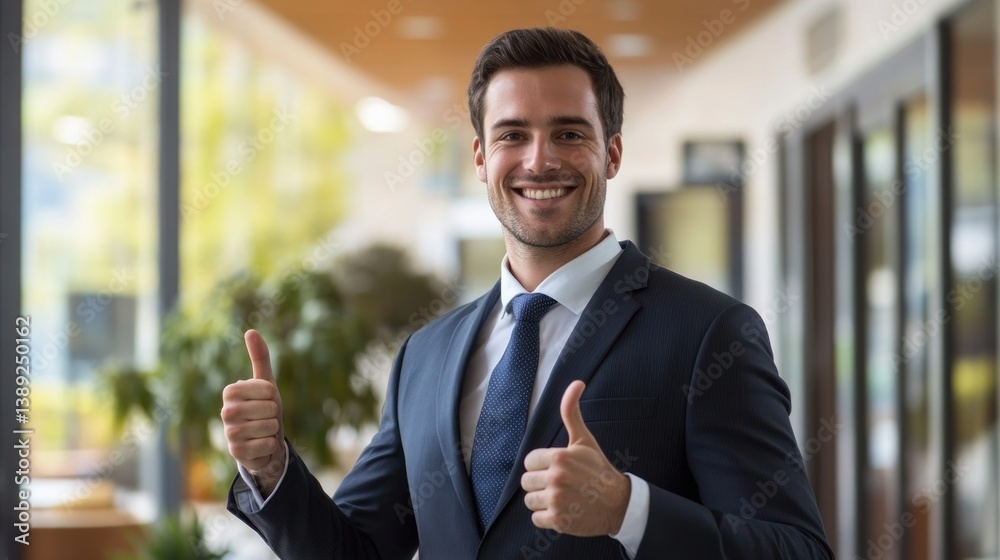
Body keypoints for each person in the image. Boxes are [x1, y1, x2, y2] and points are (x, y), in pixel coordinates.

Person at [221, 27, 834, 559]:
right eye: (513, 135)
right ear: (482, 158)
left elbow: (796, 549)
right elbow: (357, 551)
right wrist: (271, 468)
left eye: (569, 133)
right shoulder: (425, 357)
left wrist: (630, 510)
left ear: (612, 152)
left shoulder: (708, 332)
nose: (540, 161)